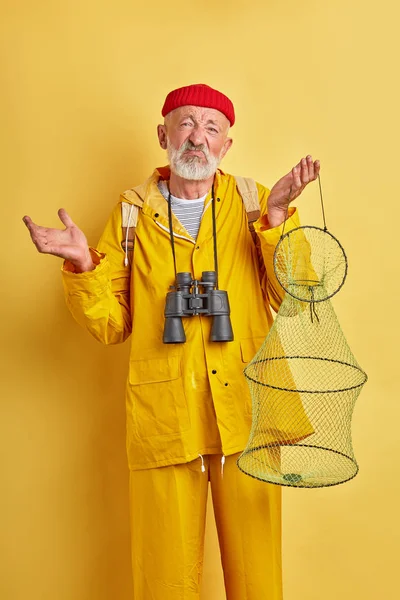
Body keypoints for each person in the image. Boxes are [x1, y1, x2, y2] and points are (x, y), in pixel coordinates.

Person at [23, 83, 320, 600]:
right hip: (165, 419)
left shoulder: (254, 202)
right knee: (164, 581)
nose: (197, 137)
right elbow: (112, 324)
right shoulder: (132, 214)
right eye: (185, 123)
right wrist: (84, 264)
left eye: (211, 128)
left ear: (226, 145)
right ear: (163, 135)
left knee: (258, 579)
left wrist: (275, 221)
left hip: (246, 413)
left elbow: (296, 296)